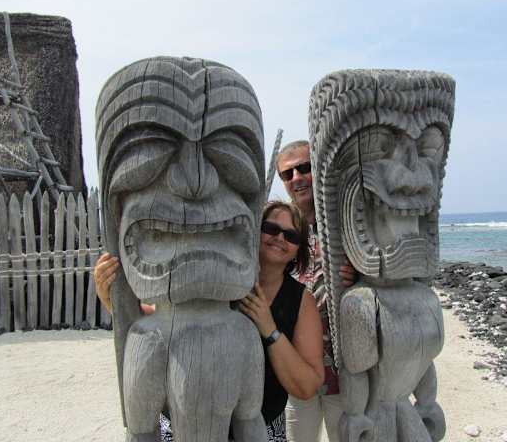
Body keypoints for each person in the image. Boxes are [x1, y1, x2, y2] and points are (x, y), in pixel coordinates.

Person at [94, 201, 324, 442]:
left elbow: (307, 386)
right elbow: (157, 324)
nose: (279, 238)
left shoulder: (300, 300)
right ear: (255, 230)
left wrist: (270, 330)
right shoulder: (215, 276)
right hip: (182, 422)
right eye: (271, 228)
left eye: (291, 236)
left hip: (259, 425)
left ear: (298, 249)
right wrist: (111, 299)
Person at [276, 140, 355, 442]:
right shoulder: (278, 231)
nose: (296, 178)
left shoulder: (345, 223)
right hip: (295, 375)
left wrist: (359, 276)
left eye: (304, 168)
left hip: (346, 373)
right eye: (287, 174)